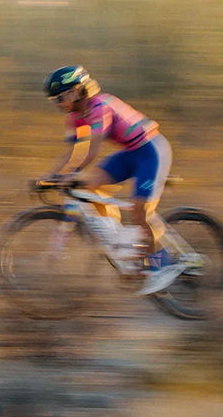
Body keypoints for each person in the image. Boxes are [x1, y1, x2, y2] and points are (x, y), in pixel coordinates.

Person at [42, 65, 184, 295]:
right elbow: (70, 152)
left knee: (140, 212)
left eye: (59, 98)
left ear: (76, 91)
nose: (57, 104)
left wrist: (70, 173)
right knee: (88, 186)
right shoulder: (74, 117)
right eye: (54, 101)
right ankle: (120, 238)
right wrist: (50, 176)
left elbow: (92, 150)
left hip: (151, 151)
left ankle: (161, 264)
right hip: (130, 153)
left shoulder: (99, 106)